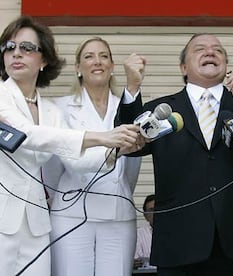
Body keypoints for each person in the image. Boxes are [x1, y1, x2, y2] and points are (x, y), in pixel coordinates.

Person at [116, 33, 233, 275]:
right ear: (183, 67)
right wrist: (133, 87)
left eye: (218, 50)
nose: (210, 52)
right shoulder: (163, 110)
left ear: (226, 66)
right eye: (200, 49)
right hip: (179, 247)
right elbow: (126, 144)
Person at [0, 16, 139, 276]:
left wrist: (117, 149)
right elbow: (27, 134)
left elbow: (75, 160)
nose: (16, 53)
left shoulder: (50, 109)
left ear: (44, 60)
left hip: (37, 225)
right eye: (9, 47)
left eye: (27, 48)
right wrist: (102, 137)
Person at [42, 37, 145, 276]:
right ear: (78, 68)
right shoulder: (60, 108)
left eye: (104, 56)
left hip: (118, 214)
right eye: (88, 56)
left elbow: (132, 167)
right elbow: (52, 170)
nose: (97, 62)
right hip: (71, 214)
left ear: (111, 66)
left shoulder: (128, 106)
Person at [134, 194, 156, 269]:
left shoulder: (176, 233)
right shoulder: (138, 234)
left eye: (158, 209)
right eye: (151, 210)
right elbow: (137, 261)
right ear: (145, 216)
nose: (155, 213)